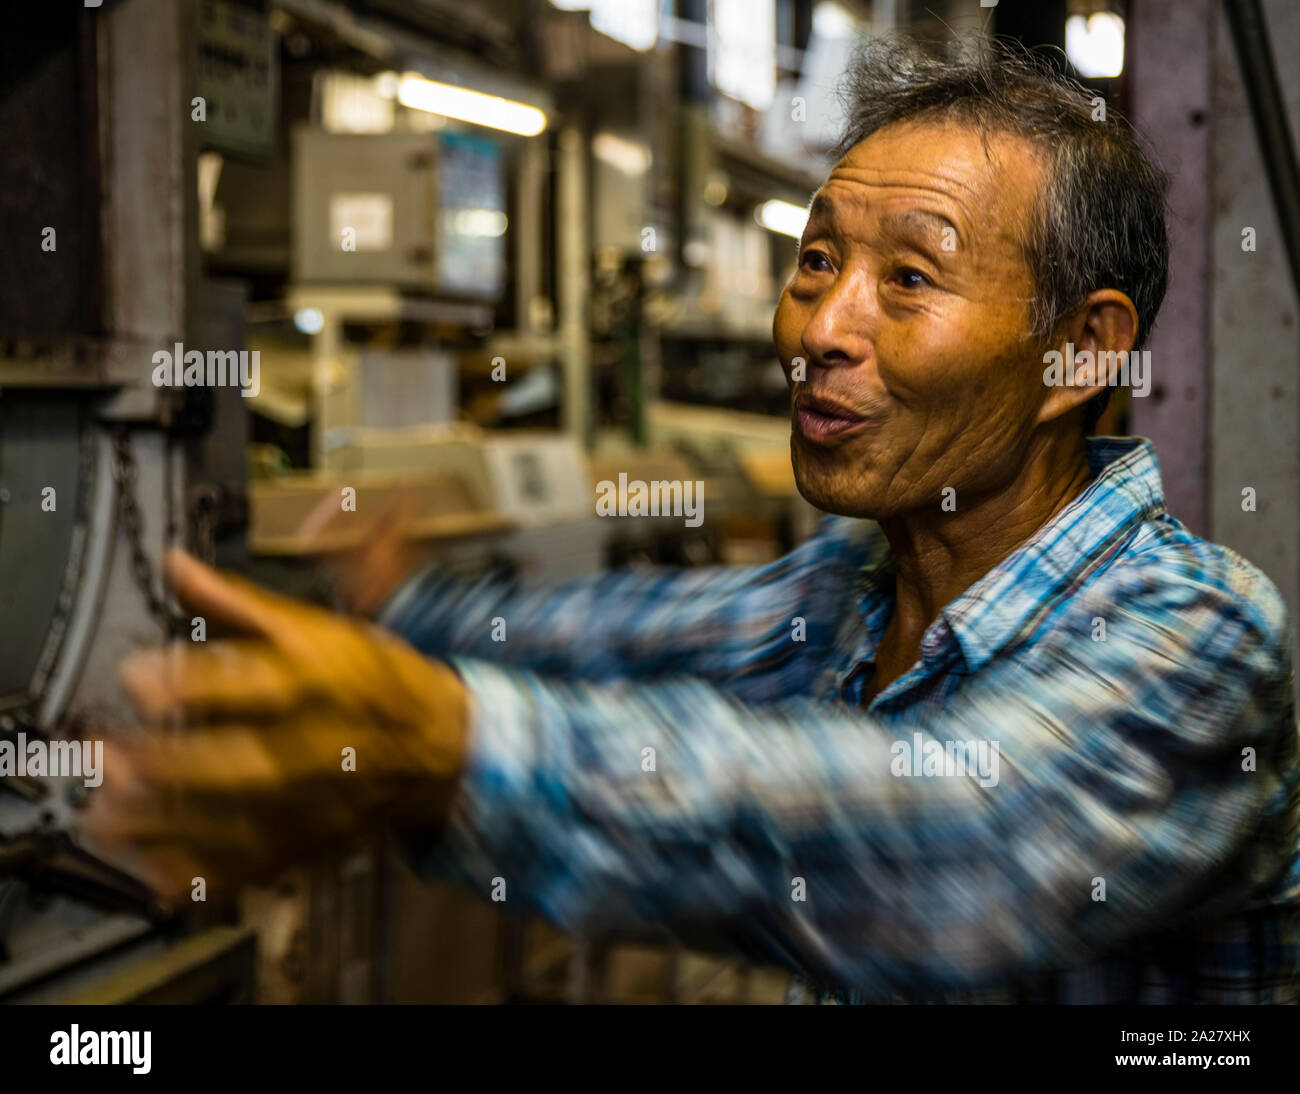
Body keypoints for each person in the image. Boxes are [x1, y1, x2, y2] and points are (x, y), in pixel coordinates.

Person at [89, 39, 1299, 1004]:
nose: (818, 326)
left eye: (910, 280)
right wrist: (396, 612)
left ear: (1078, 350)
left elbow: (955, 840)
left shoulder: (1199, 636)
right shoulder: (849, 591)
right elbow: (614, 633)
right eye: (817, 259)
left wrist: (448, 743)